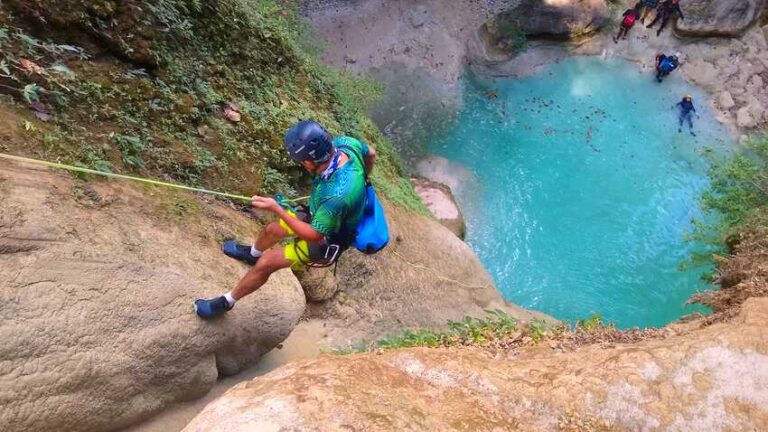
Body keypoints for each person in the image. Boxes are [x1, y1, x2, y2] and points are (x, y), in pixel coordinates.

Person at [194, 120, 376, 319]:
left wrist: (277, 209)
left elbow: (314, 235)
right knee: (273, 230)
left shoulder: (338, 196)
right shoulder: (346, 144)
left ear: (309, 162)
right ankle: (253, 254)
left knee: (267, 262)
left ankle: (227, 302)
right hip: (319, 212)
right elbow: (371, 153)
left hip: (328, 238)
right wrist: (364, 177)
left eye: (301, 161)